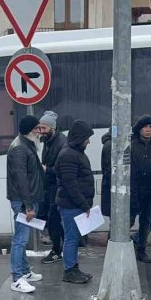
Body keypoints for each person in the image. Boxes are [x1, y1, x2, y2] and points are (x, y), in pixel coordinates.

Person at [7, 115, 45, 293]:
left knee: (23, 238)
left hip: (27, 199)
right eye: (37, 128)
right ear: (30, 130)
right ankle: (17, 278)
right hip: (23, 201)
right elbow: (21, 179)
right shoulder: (20, 148)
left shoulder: (26, 144)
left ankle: (24, 272)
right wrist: (28, 206)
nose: (40, 131)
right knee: (20, 240)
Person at [56, 120, 96, 284]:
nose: (88, 141)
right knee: (71, 238)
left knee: (73, 238)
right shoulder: (69, 155)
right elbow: (70, 184)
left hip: (74, 205)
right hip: (70, 206)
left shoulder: (74, 152)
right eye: (87, 138)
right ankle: (69, 270)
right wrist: (84, 205)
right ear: (80, 138)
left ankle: (73, 268)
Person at [129, 114, 151, 263]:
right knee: (128, 220)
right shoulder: (131, 144)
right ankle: (122, 245)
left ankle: (141, 249)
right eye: (145, 127)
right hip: (134, 189)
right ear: (139, 129)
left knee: (146, 221)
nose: (148, 130)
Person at [38, 111, 67, 264]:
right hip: (50, 186)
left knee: (53, 219)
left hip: (57, 187)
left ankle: (57, 249)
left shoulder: (61, 143)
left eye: (43, 128)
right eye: (40, 128)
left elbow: (62, 169)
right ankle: (63, 245)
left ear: (52, 128)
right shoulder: (49, 141)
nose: (40, 131)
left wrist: (46, 169)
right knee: (50, 218)